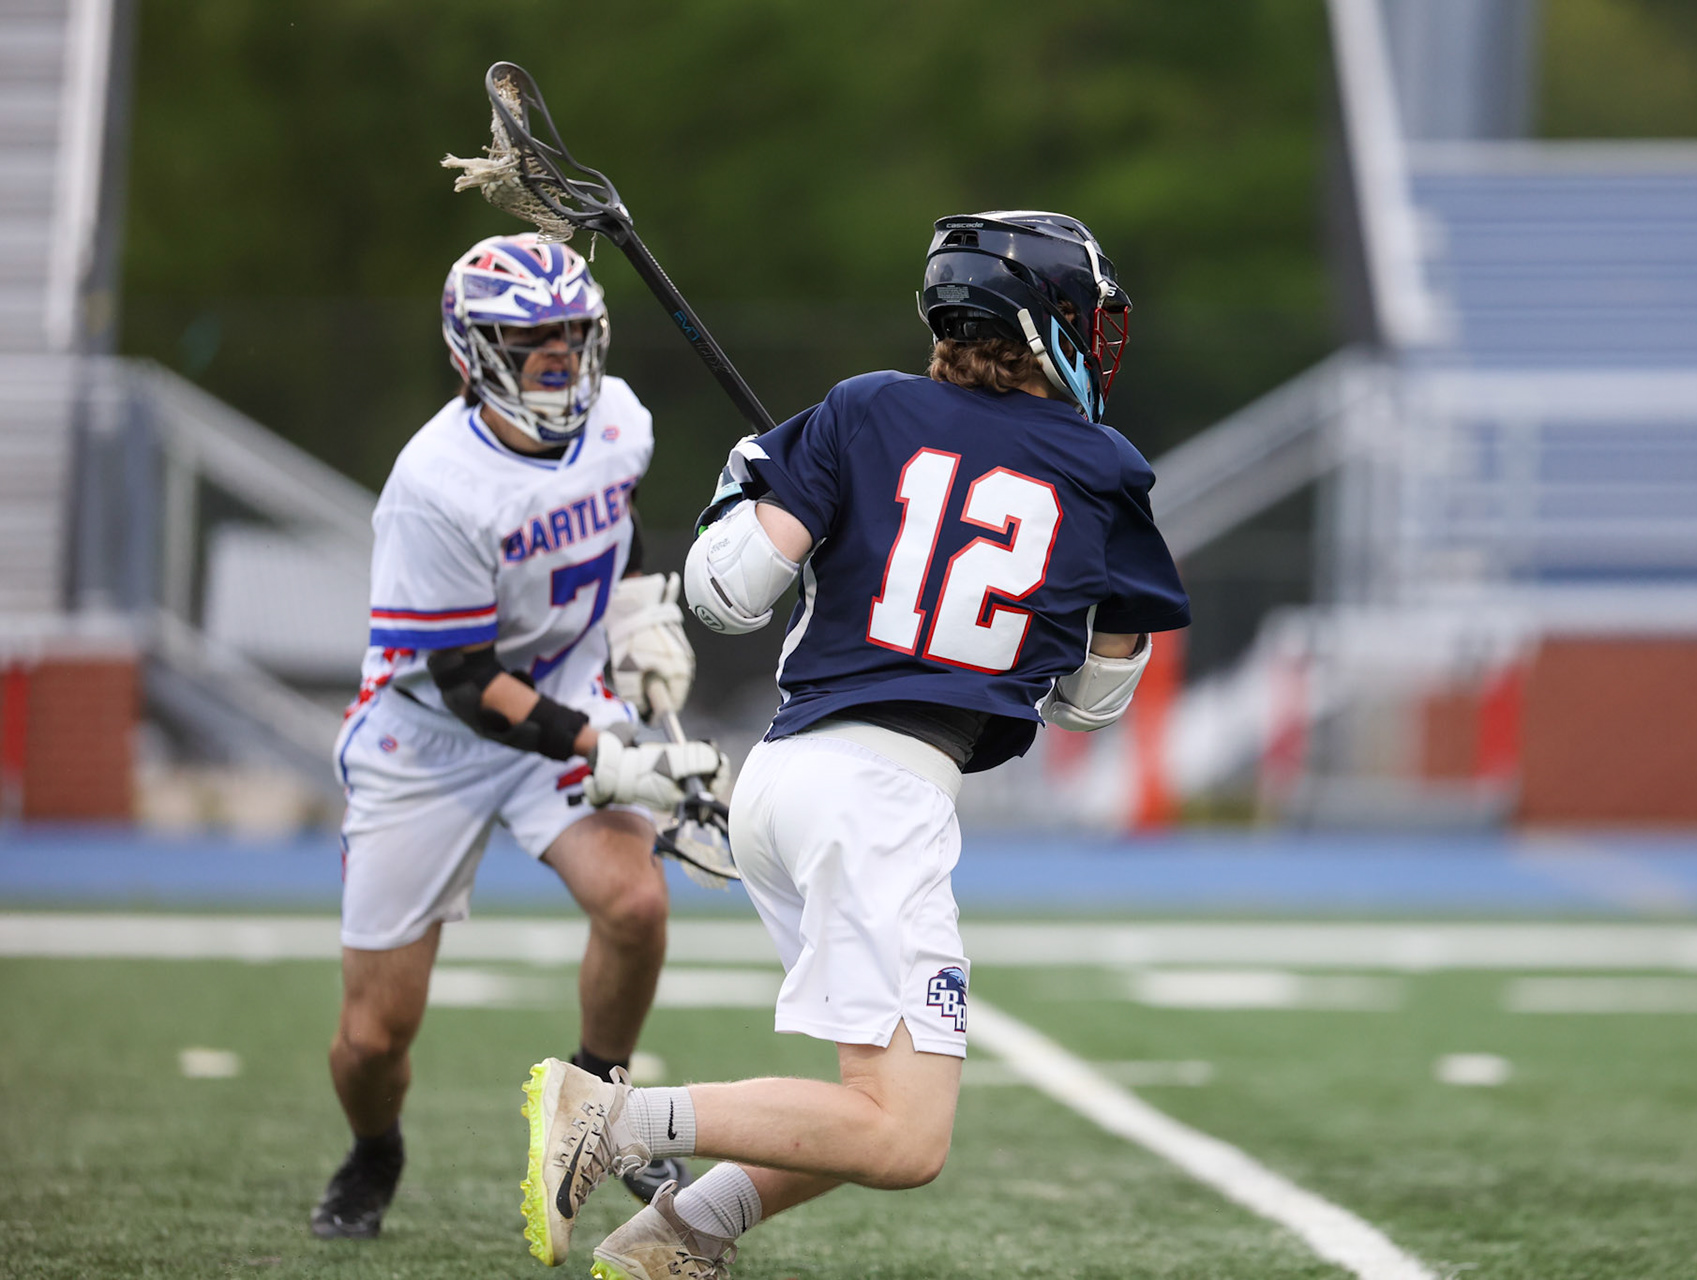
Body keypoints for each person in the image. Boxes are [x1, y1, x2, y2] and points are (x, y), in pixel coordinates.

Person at [513, 211, 1191, 1277]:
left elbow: (725, 592)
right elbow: (1093, 699)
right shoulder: (1103, 467)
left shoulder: (864, 409)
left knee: (873, 1098)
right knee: (906, 1136)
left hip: (785, 779)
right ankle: (613, 1117)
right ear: (1051, 325)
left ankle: (683, 1233)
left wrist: (766, 483)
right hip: (882, 793)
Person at [310, 232, 730, 1240]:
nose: (557, 355)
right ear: (472, 351)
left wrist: (632, 615)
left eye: (573, 332)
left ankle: (596, 1104)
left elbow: (608, 532)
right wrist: (601, 741)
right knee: (374, 1037)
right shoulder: (435, 484)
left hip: (560, 684)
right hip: (433, 738)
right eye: (530, 335)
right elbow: (462, 680)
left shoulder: (620, 420)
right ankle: (377, 1146)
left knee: (635, 900)